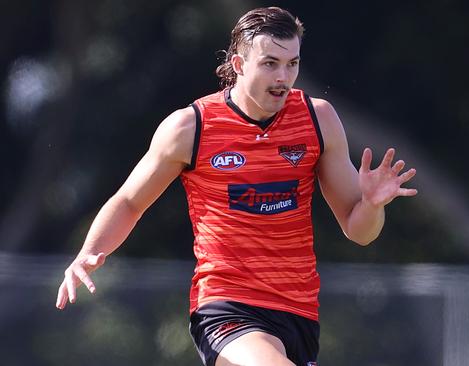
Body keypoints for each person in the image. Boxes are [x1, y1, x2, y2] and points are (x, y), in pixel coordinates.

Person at [55, 6, 417, 366]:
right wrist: (90, 250)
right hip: (225, 306)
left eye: (292, 64)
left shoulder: (317, 119)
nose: (283, 77)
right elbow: (129, 202)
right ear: (240, 64)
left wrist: (371, 204)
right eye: (270, 63)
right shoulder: (190, 128)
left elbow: (360, 231)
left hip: (299, 313)